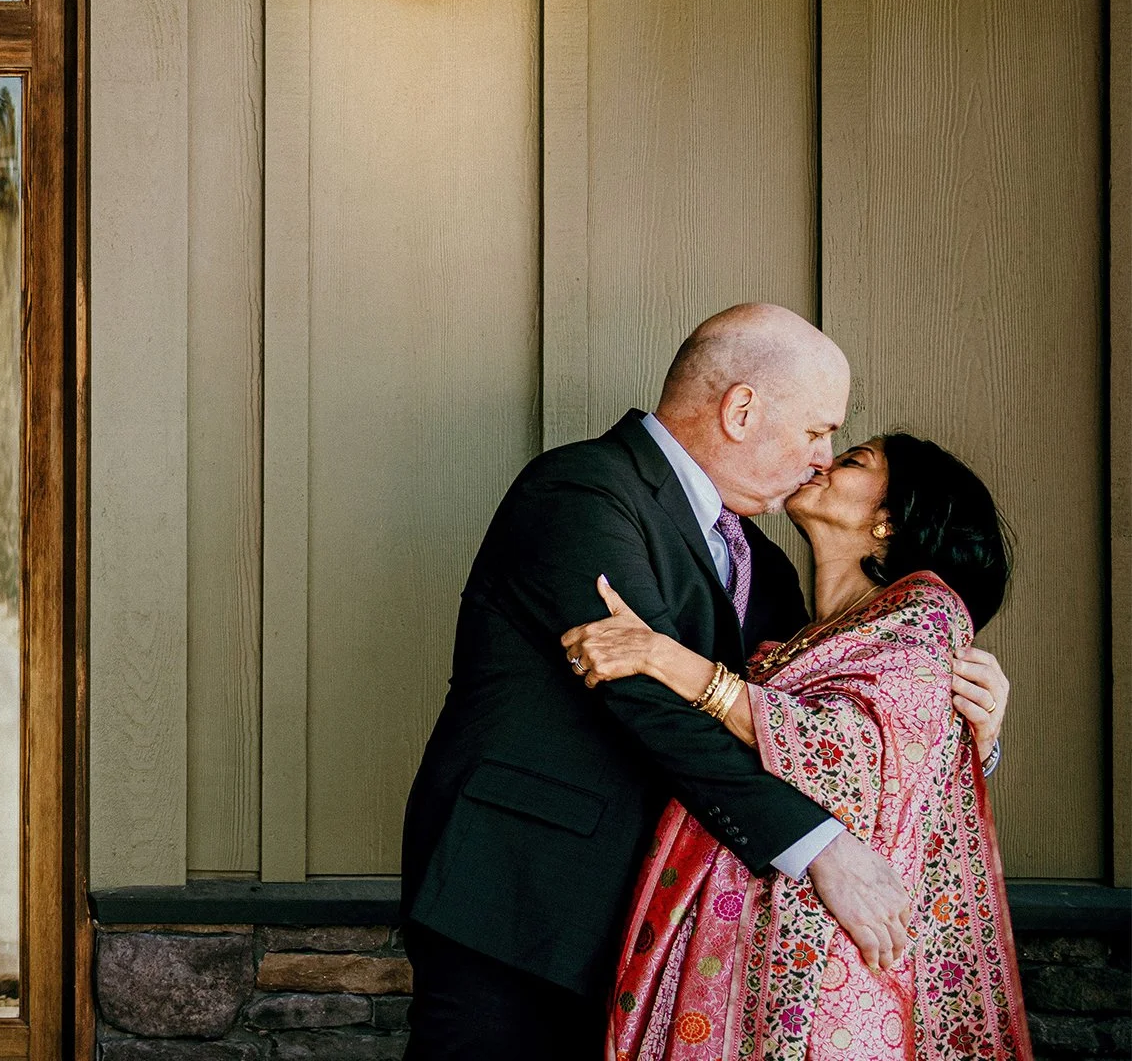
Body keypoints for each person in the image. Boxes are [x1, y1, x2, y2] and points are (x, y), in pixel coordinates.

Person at [397, 304, 1012, 1059]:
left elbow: (803, 726)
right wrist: (819, 849)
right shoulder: (583, 491)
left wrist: (963, 733)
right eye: (818, 430)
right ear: (742, 409)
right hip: (518, 905)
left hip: (654, 934)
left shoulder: (765, 563)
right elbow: (647, 705)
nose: (822, 456)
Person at [566, 433, 1027, 1057]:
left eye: (853, 460)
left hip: (821, 954)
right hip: (746, 929)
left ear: (890, 519)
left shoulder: (925, 613)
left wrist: (661, 656)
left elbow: (844, 753)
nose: (822, 460)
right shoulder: (796, 614)